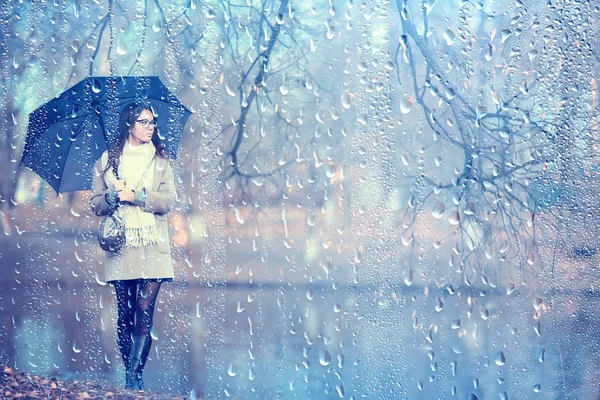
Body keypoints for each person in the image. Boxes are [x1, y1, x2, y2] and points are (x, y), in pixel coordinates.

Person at [90, 103, 176, 391]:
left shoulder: (161, 161)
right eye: (143, 122)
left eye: (152, 122)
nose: (150, 127)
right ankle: (129, 370)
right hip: (122, 244)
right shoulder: (107, 161)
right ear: (129, 124)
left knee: (144, 309)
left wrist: (136, 195)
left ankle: (134, 377)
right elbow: (95, 204)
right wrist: (113, 196)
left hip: (153, 244)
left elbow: (167, 202)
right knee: (125, 312)